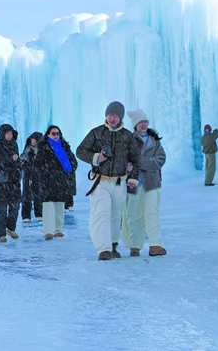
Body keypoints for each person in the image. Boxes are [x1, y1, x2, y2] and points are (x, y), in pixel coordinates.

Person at [76, 101, 142, 260]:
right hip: (100, 180)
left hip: (120, 181)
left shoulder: (128, 136)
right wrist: (96, 158)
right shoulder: (96, 133)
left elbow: (136, 158)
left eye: (116, 115)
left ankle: (113, 245)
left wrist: (133, 178)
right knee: (101, 213)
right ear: (106, 115)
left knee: (115, 215)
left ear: (120, 117)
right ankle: (103, 249)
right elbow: (80, 151)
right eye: (110, 115)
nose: (112, 118)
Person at [122, 109, 167, 257]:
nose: (144, 124)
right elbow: (123, 160)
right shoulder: (128, 140)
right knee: (134, 215)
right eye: (141, 122)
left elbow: (160, 159)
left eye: (146, 121)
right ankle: (134, 246)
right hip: (134, 183)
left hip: (151, 183)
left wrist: (140, 162)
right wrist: (128, 166)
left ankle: (155, 245)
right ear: (135, 124)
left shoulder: (154, 141)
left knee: (152, 213)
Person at [36, 125, 77, 240]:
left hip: (61, 180)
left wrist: (69, 171)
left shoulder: (64, 146)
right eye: (53, 133)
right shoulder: (43, 147)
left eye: (57, 133)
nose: (56, 136)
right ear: (48, 134)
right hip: (47, 181)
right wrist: (47, 172)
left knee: (59, 206)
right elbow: (38, 163)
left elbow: (72, 161)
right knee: (48, 205)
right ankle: (48, 231)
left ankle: (58, 229)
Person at [0, 124, 22, 243]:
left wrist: (18, 166)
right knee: (1, 209)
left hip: (13, 181)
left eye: (11, 133)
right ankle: (0, 234)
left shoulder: (14, 145)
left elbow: (17, 160)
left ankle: (10, 228)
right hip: (1, 181)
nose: (10, 136)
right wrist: (11, 159)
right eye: (7, 133)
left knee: (15, 206)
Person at [20, 132, 44, 222]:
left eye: (35, 140)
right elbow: (21, 161)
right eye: (32, 139)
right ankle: (26, 216)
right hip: (27, 175)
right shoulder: (27, 150)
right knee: (26, 195)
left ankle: (39, 214)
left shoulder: (42, 151)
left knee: (38, 194)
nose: (33, 141)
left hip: (38, 176)